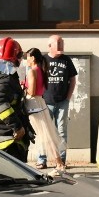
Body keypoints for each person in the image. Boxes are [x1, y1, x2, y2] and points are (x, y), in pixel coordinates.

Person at [0, 37, 34, 163]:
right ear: (16, 57)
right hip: (9, 143)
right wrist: (17, 127)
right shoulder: (7, 79)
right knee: (17, 181)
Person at [35, 35, 77, 169]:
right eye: (58, 43)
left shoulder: (66, 60)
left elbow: (73, 80)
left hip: (62, 102)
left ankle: (61, 160)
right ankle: (42, 160)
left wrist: (68, 98)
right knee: (44, 131)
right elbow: (35, 78)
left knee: (62, 132)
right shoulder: (42, 60)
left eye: (62, 43)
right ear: (50, 46)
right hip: (46, 102)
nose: (61, 45)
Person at [24, 47, 66, 175]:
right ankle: (59, 163)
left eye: (27, 57)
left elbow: (31, 91)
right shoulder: (41, 70)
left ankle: (59, 163)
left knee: (45, 136)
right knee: (48, 134)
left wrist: (23, 86)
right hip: (41, 102)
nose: (26, 60)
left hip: (33, 104)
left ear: (32, 58)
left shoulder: (32, 72)